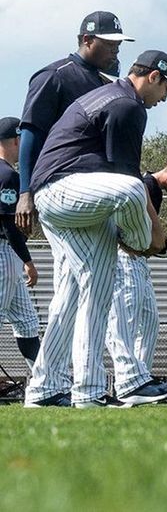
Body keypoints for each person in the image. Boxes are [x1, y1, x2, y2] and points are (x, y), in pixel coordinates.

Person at [23, 50, 167, 408]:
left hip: (73, 199)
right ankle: (140, 241)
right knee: (130, 191)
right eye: (165, 91)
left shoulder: (113, 96)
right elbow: (129, 182)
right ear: (154, 77)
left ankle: (54, 389)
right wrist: (152, 239)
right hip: (60, 190)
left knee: (80, 296)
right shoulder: (127, 104)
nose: (163, 101)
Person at [15, 12, 133, 237]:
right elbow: (31, 133)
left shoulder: (106, 82)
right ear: (87, 40)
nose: (116, 49)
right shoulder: (54, 76)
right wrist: (25, 192)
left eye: (118, 43)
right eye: (109, 43)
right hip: (61, 183)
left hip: (93, 184)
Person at [104, 156, 167, 405]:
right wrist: (162, 244)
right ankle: (129, 382)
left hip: (140, 259)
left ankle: (143, 379)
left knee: (149, 319)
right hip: (126, 257)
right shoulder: (145, 185)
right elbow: (121, 222)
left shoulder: (154, 190)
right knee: (126, 320)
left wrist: (163, 245)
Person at [0, 117, 41, 376]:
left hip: (7, 253)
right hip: (4, 251)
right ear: (17, 140)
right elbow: (8, 224)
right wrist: (28, 260)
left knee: (26, 322)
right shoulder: (7, 175)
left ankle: (45, 383)